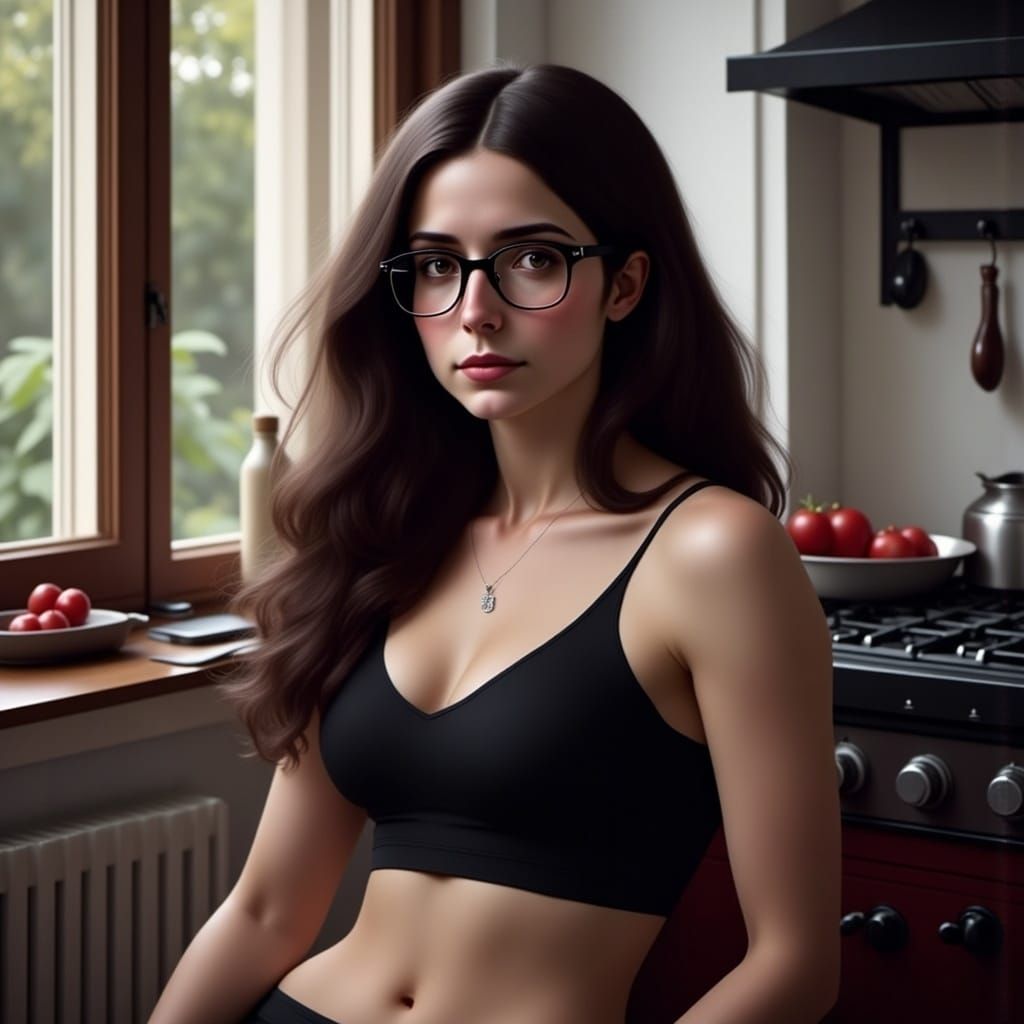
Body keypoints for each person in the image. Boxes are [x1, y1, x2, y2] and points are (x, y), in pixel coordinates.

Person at [148, 62, 841, 1024]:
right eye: (437, 264)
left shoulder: (714, 554)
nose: (476, 308)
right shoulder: (381, 539)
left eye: (532, 258)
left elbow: (795, 963)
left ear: (626, 284)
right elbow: (265, 912)